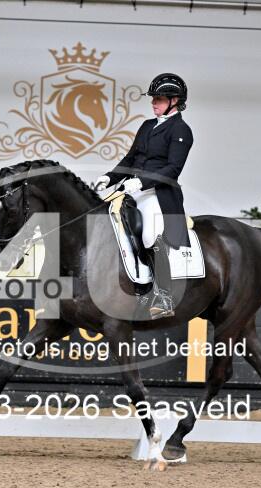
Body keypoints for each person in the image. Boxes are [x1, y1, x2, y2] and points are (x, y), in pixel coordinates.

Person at [95, 73, 193, 320]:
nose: (153, 103)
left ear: (174, 101)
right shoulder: (147, 125)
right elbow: (130, 159)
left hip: (157, 194)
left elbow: (173, 168)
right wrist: (109, 177)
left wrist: (142, 182)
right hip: (130, 190)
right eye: (153, 99)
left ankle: (163, 296)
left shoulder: (181, 130)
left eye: (158, 99)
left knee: (150, 234)